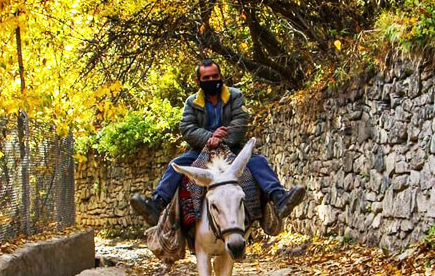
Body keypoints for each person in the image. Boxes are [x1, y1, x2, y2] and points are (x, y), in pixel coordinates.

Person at [130, 59, 306, 226]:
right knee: (176, 165)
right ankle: (157, 204)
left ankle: (279, 197)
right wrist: (209, 138)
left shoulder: (236, 96)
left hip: (233, 148)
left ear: (221, 76)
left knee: (257, 161)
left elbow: (240, 121)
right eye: (206, 78)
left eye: (215, 76)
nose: (211, 80)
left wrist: (221, 139)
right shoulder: (191, 102)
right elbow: (187, 128)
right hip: (200, 151)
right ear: (198, 81)